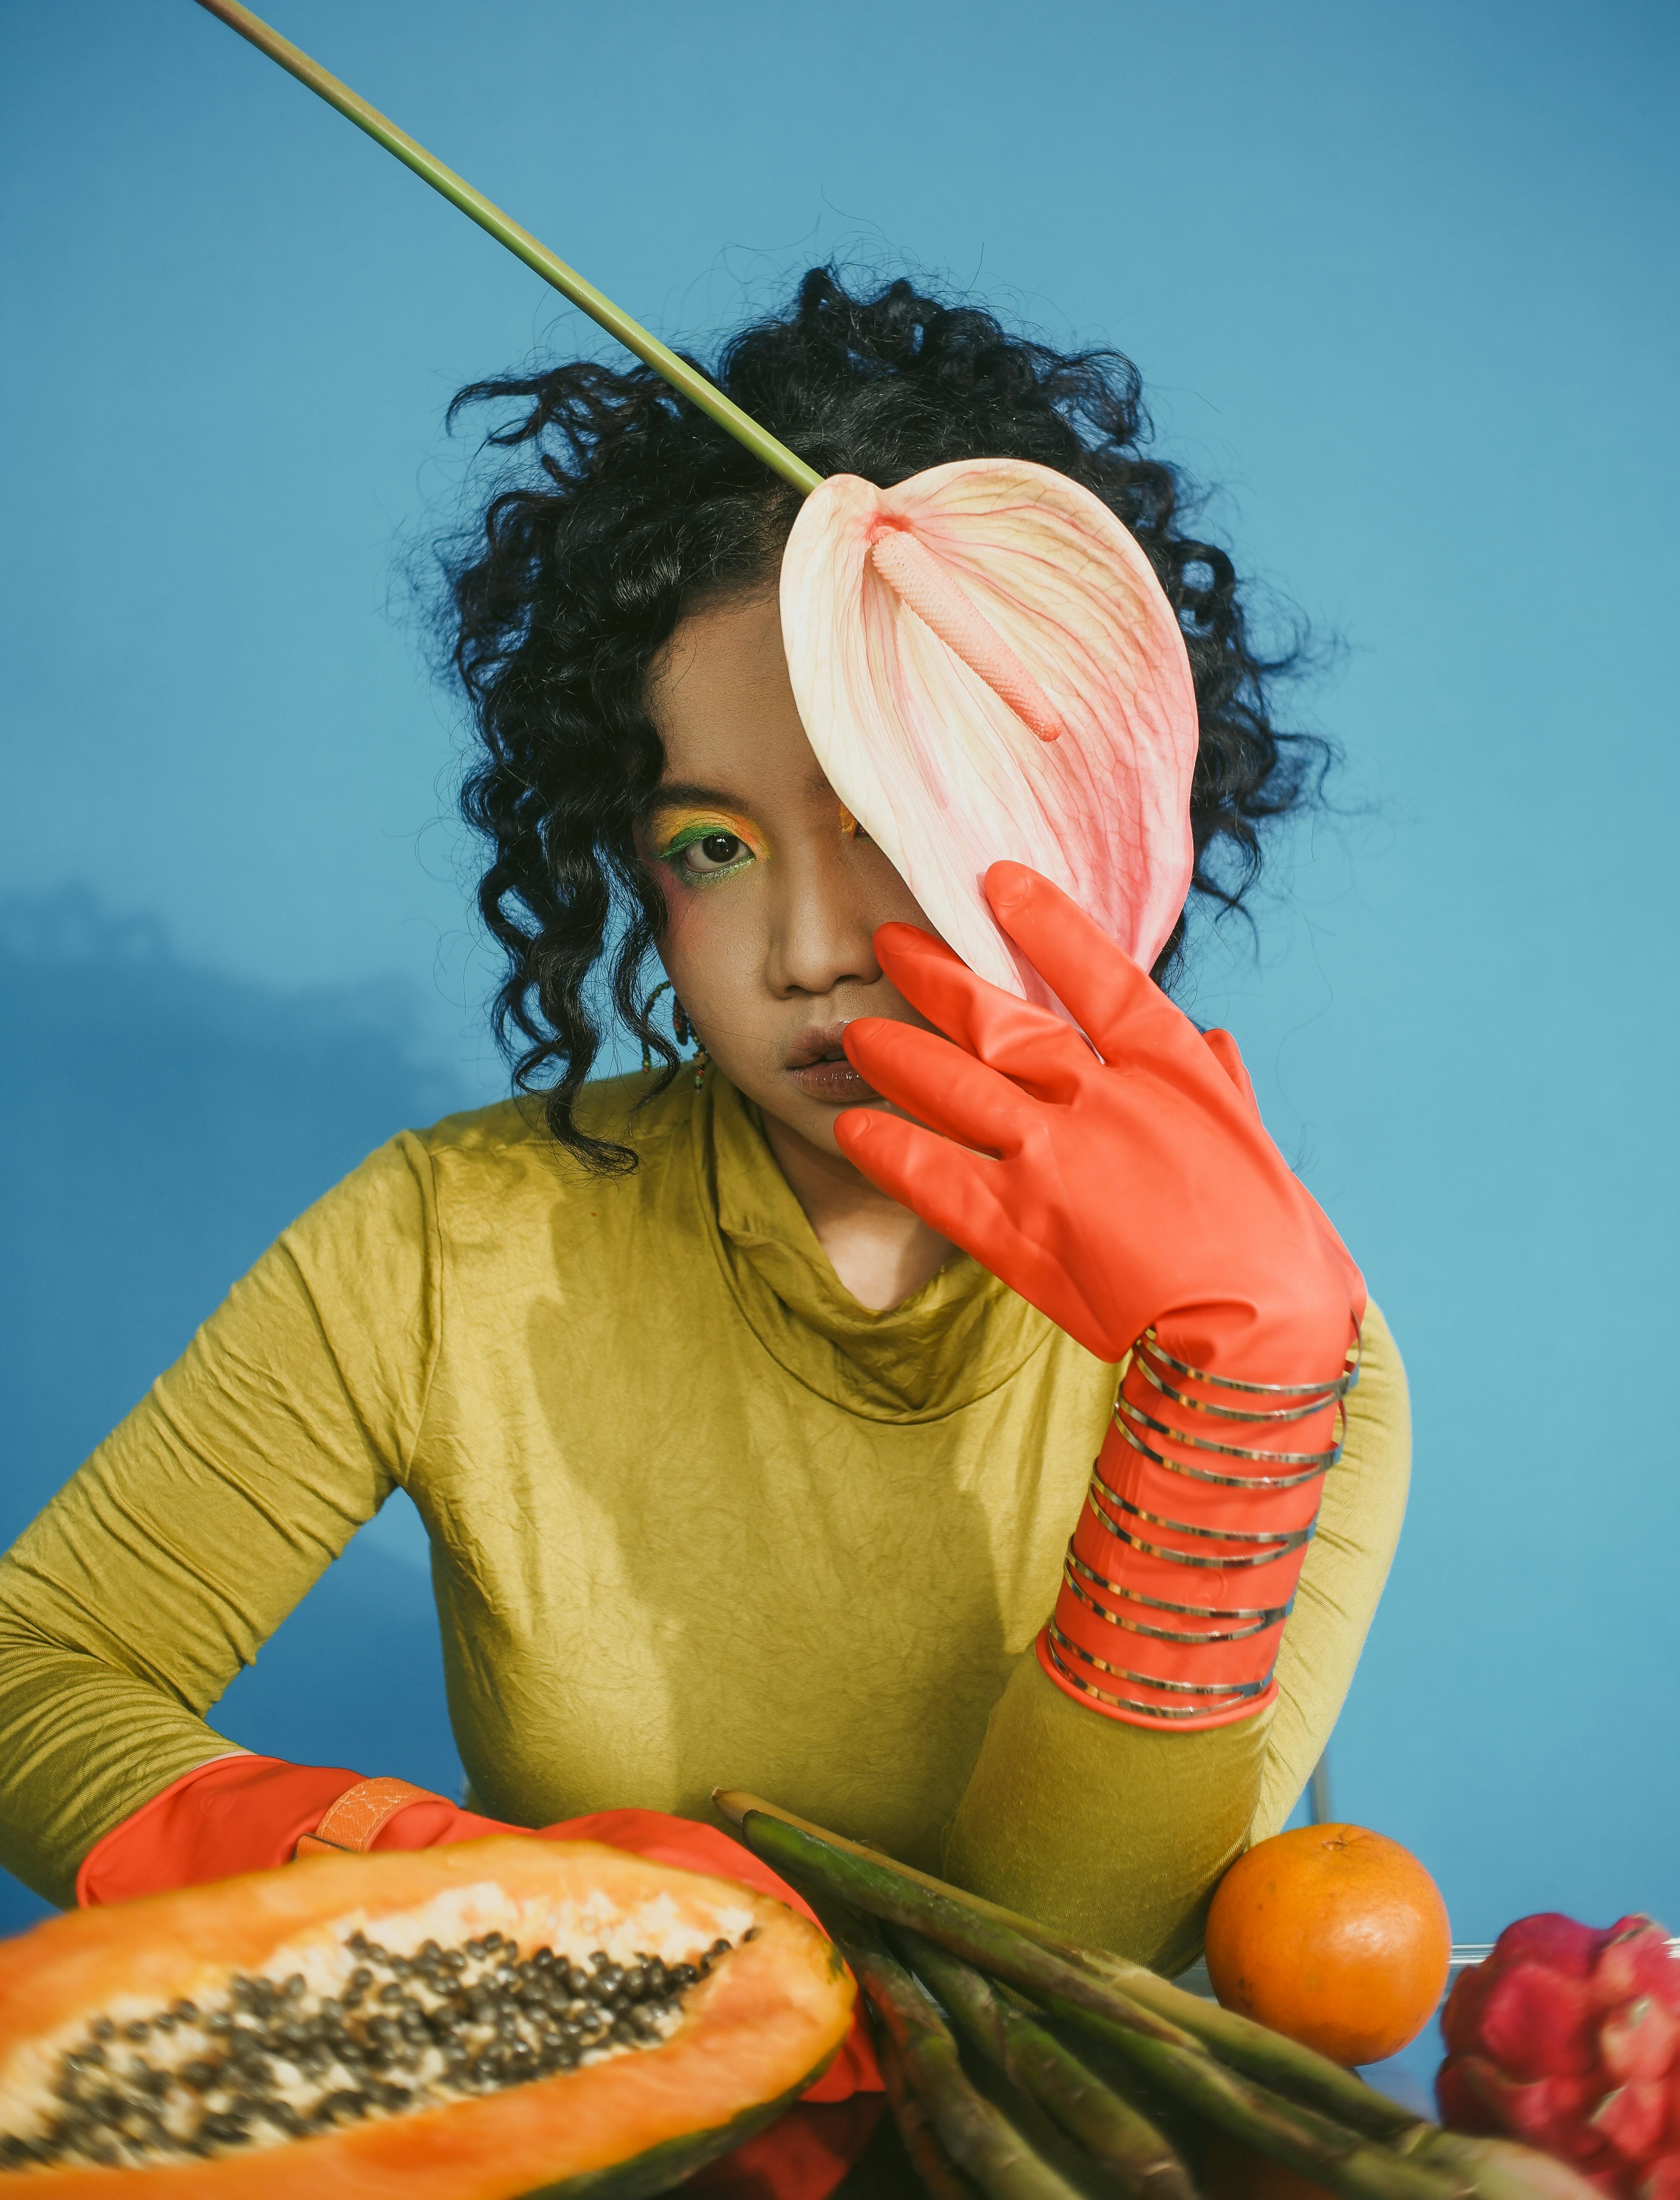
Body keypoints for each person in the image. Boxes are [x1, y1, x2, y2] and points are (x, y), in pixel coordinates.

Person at [0, 267, 1410, 2196]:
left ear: (1069, 820)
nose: (811, 951)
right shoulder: (446, 1244)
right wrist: (441, 1903)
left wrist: (1235, 1406)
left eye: (893, 827)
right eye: (712, 848)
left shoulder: (1294, 1345)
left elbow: (1043, 1954)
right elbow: (35, 1661)